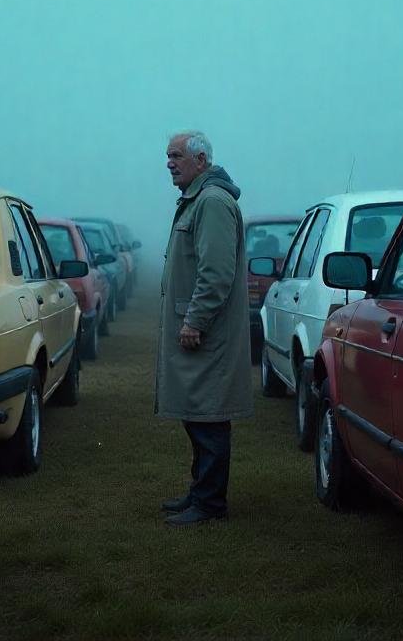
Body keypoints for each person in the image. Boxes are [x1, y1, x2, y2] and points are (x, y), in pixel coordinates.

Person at [155, 130, 253, 525]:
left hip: (207, 333)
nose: (169, 163)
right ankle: (200, 492)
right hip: (198, 331)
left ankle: (210, 503)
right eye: (168, 156)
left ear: (200, 160)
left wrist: (195, 320)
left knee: (209, 415)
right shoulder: (199, 199)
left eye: (176, 155)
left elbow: (215, 273)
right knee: (197, 413)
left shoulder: (211, 201)